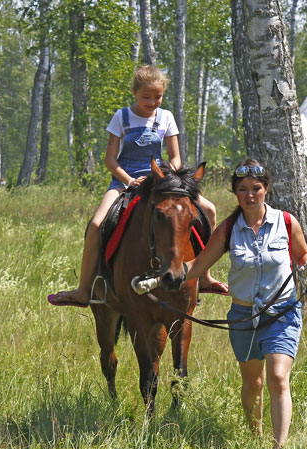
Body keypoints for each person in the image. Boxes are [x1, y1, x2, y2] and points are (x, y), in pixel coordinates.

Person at [135, 159, 307, 449]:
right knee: (254, 383)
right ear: (235, 193)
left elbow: (301, 254)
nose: (250, 195)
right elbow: (196, 266)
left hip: (282, 313)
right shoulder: (227, 229)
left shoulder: (287, 222)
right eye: (243, 189)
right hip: (242, 316)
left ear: (266, 189)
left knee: (277, 377)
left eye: (256, 189)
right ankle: (255, 435)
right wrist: (156, 281)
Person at [49, 64, 225, 307]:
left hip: (160, 181)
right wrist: (130, 180)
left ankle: (203, 276)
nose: (152, 102)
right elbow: (110, 160)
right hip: (125, 181)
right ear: (133, 92)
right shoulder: (121, 117)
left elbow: (175, 158)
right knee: (97, 225)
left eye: (158, 97)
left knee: (211, 210)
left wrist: (166, 178)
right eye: (146, 97)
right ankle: (83, 289)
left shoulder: (167, 117)